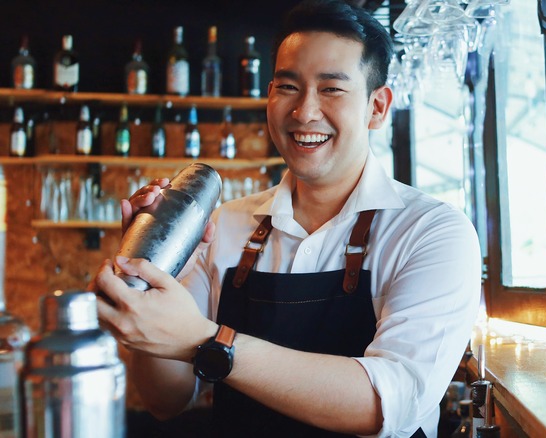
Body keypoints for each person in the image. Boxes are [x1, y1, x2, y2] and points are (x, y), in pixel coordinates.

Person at [93, 0, 481, 436]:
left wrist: (208, 342)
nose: (303, 112)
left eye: (331, 89)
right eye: (287, 87)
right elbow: (166, 400)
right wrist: (148, 279)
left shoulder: (432, 233)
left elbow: (384, 404)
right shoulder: (226, 226)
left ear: (377, 107)